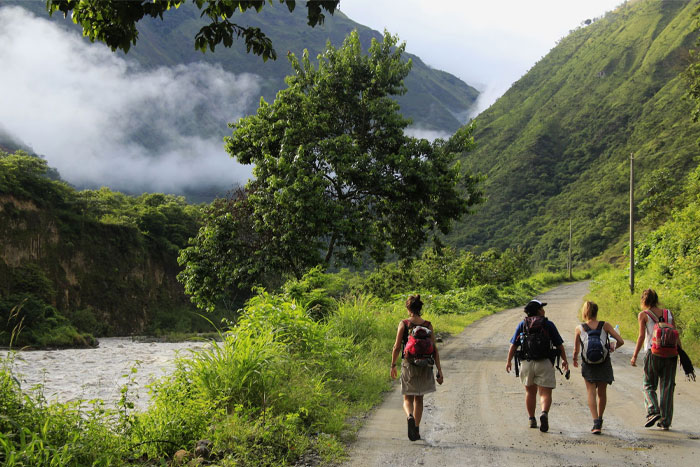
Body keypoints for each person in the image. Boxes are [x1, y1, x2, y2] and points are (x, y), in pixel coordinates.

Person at [506, 299, 569, 432]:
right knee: (545, 392)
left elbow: (514, 345)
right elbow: (559, 344)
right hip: (545, 362)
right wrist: (564, 360)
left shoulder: (522, 325)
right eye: (542, 308)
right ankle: (544, 413)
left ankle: (531, 419)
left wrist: (508, 361)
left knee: (530, 392)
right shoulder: (548, 324)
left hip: (527, 362)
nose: (544, 310)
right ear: (538, 311)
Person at [390, 294, 443, 441]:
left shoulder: (404, 324)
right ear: (420, 308)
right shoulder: (428, 325)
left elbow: (396, 347)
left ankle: (410, 416)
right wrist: (439, 370)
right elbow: (435, 350)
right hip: (425, 365)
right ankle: (417, 429)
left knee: (407, 398)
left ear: (408, 308)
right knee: (419, 399)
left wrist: (393, 364)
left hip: (409, 364)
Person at [630, 288, 679, 430]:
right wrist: (680, 353)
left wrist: (634, 356)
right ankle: (665, 421)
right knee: (667, 387)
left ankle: (653, 410)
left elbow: (641, 337)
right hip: (671, 354)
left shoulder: (643, 315)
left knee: (648, 384)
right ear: (656, 299)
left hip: (653, 353)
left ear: (643, 300)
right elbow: (676, 334)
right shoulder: (668, 313)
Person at [573, 301, 624, 434]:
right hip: (603, 361)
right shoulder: (605, 325)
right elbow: (621, 341)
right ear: (596, 312)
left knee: (591, 392)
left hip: (588, 363)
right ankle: (600, 419)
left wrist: (574, 359)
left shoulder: (579, 328)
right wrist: (611, 349)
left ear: (585, 312)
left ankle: (595, 422)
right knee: (602, 392)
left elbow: (576, 349)